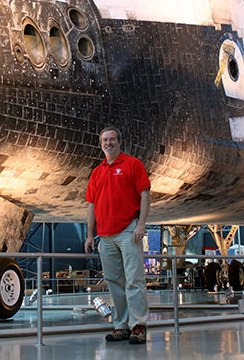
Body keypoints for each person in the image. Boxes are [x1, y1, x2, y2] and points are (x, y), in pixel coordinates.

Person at [84, 127, 151, 345]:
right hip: (105, 235)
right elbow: (91, 205)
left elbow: (145, 194)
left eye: (112, 139)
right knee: (114, 282)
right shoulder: (97, 172)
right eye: (105, 140)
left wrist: (141, 224)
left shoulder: (133, 164)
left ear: (119, 142)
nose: (108, 143)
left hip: (128, 231)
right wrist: (90, 235)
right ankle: (121, 325)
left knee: (134, 280)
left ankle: (139, 325)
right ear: (100, 144)